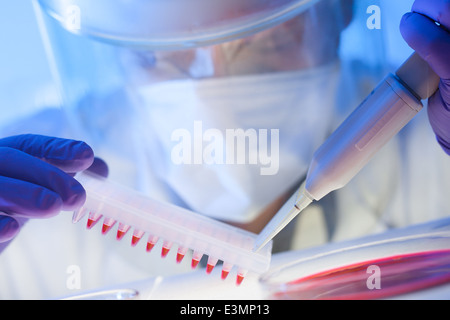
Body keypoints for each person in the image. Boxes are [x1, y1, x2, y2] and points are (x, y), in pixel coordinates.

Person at [0, 0, 448, 299]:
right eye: (160, 55)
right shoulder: (27, 218)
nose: (215, 94)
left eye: (270, 42)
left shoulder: (433, 153)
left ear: (340, 11)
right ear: (118, 48)